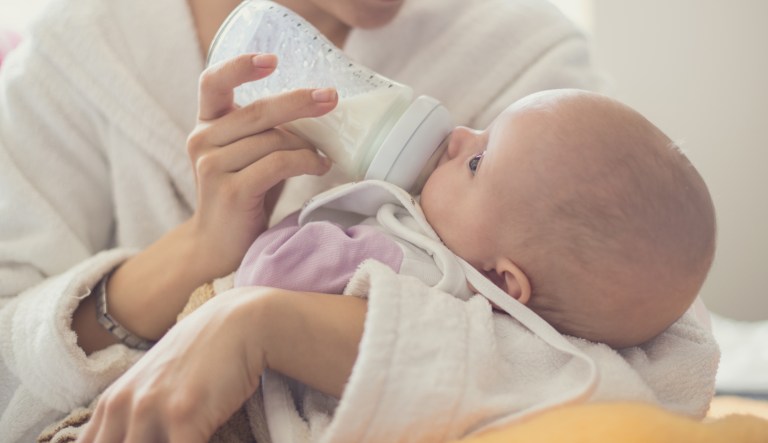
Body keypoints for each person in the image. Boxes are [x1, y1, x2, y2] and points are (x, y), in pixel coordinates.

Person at [0, 0, 705, 441]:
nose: (460, 134)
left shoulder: (525, 54)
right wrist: (199, 250)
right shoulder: (80, 53)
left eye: (480, 155)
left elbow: (642, 344)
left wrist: (265, 325)